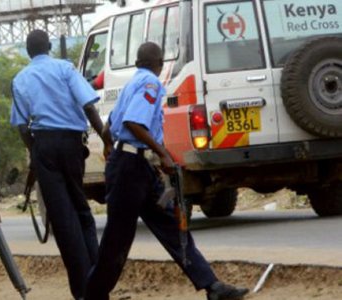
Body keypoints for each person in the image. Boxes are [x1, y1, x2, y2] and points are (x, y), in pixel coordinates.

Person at [84, 42, 249, 300]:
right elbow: (133, 122)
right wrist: (163, 153)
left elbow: (110, 126)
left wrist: (110, 146)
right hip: (130, 168)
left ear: (138, 62)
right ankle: (92, 294)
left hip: (133, 165)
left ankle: (212, 286)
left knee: (172, 227)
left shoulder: (131, 83)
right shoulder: (151, 84)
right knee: (117, 237)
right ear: (159, 63)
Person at [10, 29, 107, 300]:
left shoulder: (20, 79)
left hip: (43, 145)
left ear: (28, 52)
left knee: (64, 222)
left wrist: (36, 155)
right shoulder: (65, 69)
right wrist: (106, 139)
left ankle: (82, 291)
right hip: (72, 144)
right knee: (81, 211)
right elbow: (89, 106)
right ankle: (98, 287)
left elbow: (21, 125)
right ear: (50, 46)